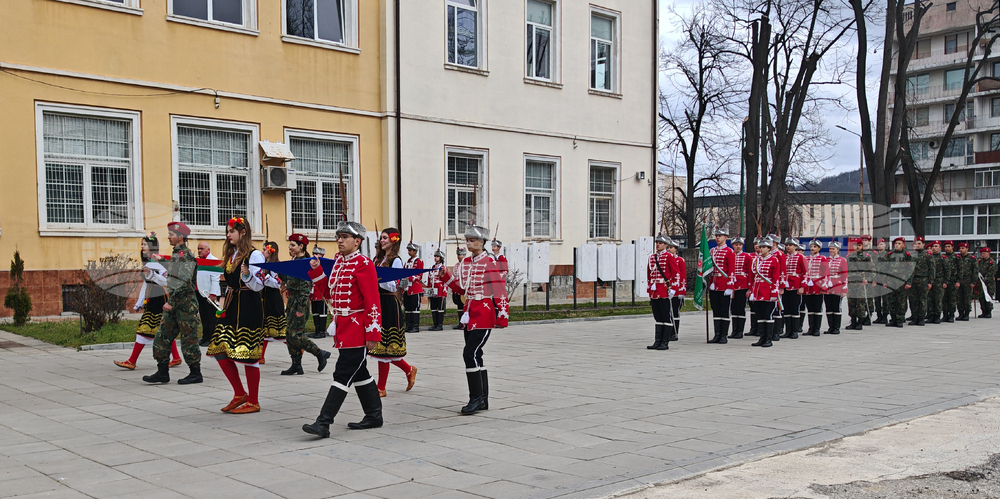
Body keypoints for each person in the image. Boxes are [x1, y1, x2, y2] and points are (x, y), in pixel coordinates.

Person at [302, 221, 383, 437]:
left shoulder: (364, 264)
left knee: (343, 372)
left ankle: (323, 422)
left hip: (358, 327)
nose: (339, 240)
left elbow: (373, 300)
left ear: (357, 241)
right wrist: (317, 271)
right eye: (338, 236)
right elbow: (329, 295)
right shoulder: (338, 261)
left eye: (345, 236)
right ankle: (374, 415)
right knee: (359, 371)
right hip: (342, 326)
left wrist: (373, 333)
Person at [441, 224, 510, 414]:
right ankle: (483, 399)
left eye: (472, 240)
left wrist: (502, 314)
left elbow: (499, 289)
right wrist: (445, 277)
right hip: (469, 312)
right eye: (467, 240)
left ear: (482, 242)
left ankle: (475, 398)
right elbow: (463, 290)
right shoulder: (467, 263)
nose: (468, 243)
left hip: (484, 312)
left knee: (469, 353)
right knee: (476, 355)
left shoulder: (489, 261)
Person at [204, 217, 266, 413]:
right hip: (231, 305)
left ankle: (253, 401)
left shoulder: (255, 256)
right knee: (219, 350)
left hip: (249, 306)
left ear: (243, 232)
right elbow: (227, 283)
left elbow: (259, 286)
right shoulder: (232, 255)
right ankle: (239, 393)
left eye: (232, 231)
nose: (228, 234)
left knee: (248, 355)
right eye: (228, 231)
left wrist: (247, 276)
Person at [141, 222, 203, 385]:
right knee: (162, 336)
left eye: (171, 234)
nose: (168, 236)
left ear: (180, 237)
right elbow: (174, 270)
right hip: (175, 303)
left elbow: (183, 282)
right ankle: (162, 372)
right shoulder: (177, 254)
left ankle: (195, 373)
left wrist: (171, 302)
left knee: (189, 339)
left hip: (185, 305)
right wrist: (159, 259)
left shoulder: (186, 255)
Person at [115, 233, 182, 370]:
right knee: (164, 329)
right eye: (141, 244)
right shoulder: (147, 262)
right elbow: (146, 284)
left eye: (144, 244)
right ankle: (176, 357)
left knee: (145, 329)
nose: (141, 247)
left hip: (158, 299)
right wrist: (139, 302)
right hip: (151, 297)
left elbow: (167, 280)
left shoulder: (158, 261)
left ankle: (132, 360)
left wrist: (152, 275)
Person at [371, 228, 417, 397]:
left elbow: (392, 285)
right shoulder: (378, 259)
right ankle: (408, 369)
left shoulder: (396, 261)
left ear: (393, 240)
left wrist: (376, 278)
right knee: (381, 347)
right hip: (378, 304)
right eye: (381, 238)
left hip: (390, 303)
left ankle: (380, 387)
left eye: (385, 238)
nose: (382, 241)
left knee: (386, 348)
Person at [279, 233, 331, 376]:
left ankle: (320, 353)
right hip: (291, 301)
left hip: (299, 302)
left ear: (301, 246)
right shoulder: (294, 261)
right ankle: (296, 364)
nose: (290, 247)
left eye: (293, 245)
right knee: (289, 334)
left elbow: (305, 288)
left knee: (296, 335)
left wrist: (301, 308)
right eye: (290, 245)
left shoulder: (305, 263)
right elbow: (287, 279)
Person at [749, 238, 780, 348]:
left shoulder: (774, 260)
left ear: (769, 248)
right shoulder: (756, 260)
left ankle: (768, 338)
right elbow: (752, 277)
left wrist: (774, 293)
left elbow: (776, 278)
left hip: (768, 290)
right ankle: (762, 337)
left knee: (768, 315)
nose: (761, 249)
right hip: (757, 291)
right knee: (760, 315)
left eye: (763, 247)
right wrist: (751, 291)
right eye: (760, 247)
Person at [646, 234, 675, 350]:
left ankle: (665, 342)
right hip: (654, 290)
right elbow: (649, 274)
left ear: (666, 245)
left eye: (660, 243)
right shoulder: (652, 257)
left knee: (665, 316)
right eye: (657, 243)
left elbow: (676, 274)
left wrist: (673, 288)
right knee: (657, 316)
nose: (658, 245)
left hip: (664, 289)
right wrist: (649, 288)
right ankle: (657, 341)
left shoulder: (669, 257)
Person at [707, 228, 735, 344]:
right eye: (716, 235)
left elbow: (731, 270)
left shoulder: (729, 252)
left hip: (724, 284)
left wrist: (730, 285)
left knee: (724, 310)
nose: (717, 238)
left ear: (725, 238)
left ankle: (724, 335)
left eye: (720, 236)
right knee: (716, 310)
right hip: (714, 284)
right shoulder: (712, 251)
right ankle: (717, 334)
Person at [260, 241, 286, 364]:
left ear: (271, 251)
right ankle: (261, 356)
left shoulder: (276, 266)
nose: (262, 252)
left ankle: (297, 347)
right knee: (264, 329)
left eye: (265, 250)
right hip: (265, 298)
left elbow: (279, 283)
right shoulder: (263, 265)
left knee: (279, 330)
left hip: (273, 298)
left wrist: (266, 278)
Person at [881, 237, 913, 328]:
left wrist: (909, 282)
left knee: (901, 301)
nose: (897, 245)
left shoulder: (907, 255)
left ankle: (900, 319)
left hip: (901, 282)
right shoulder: (889, 255)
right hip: (891, 282)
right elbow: (885, 269)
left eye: (899, 243)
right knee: (891, 301)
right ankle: (893, 318)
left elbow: (910, 270)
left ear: (904, 245)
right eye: (896, 243)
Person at [196, 242, 222, 347]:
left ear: (208, 250)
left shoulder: (214, 261)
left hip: (211, 293)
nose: (199, 250)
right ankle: (205, 337)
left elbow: (215, 278)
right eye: (198, 248)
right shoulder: (198, 261)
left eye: (202, 248)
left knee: (212, 318)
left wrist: (213, 293)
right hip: (200, 292)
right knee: (204, 317)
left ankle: (212, 339)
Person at [780, 238, 807, 338]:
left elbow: (805, 273)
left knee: (795, 308)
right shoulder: (784, 257)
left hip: (796, 285)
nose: (788, 247)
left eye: (790, 245)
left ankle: (795, 331)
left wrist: (802, 286)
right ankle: (788, 330)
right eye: (787, 245)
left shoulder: (800, 257)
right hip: (786, 285)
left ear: (795, 247)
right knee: (786, 308)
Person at [845, 238, 872, 331]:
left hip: (861, 282)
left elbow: (872, 270)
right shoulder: (849, 257)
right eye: (856, 245)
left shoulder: (866, 257)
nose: (857, 247)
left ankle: (860, 322)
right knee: (851, 302)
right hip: (851, 282)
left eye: (859, 245)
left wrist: (867, 279)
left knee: (860, 303)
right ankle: (853, 321)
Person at [906, 237, 934, 326]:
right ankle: (915, 317)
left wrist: (930, 282)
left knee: (922, 299)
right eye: (915, 244)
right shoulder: (911, 255)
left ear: (923, 244)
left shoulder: (928, 255)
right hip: (913, 280)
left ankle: (921, 318)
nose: (917, 245)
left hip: (923, 279)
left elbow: (932, 269)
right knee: (913, 300)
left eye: (919, 243)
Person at [728, 237, 752, 339]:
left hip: (742, 285)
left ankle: (740, 331)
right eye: (736, 244)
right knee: (733, 308)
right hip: (732, 285)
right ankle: (734, 330)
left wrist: (749, 287)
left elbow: (750, 273)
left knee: (741, 308)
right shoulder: (730, 255)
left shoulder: (747, 256)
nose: (738, 246)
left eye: (740, 245)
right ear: (732, 245)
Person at [823, 241, 848, 335]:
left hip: (837, 285)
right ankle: (831, 327)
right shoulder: (826, 260)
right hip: (827, 287)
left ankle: (836, 327)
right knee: (828, 307)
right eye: (830, 249)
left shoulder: (842, 260)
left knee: (836, 307)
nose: (831, 250)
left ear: (838, 250)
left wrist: (844, 289)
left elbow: (844, 275)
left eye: (833, 249)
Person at [402, 242, 425, 333]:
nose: (409, 252)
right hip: (407, 288)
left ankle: (415, 326)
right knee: (407, 308)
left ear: (415, 251)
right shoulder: (407, 262)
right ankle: (409, 325)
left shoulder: (419, 261)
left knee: (415, 307)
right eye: (408, 250)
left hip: (415, 288)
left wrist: (410, 277)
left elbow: (419, 276)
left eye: (411, 250)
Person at [667, 238, 686, 341]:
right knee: (667, 312)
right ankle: (668, 332)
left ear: (676, 249)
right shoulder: (665, 259)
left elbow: (682, 276)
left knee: (675, 311)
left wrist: (682, 291)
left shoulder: (680, 260)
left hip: (677, 289)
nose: (669, 249)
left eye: (671, 248)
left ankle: (675, 332)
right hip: (667, 289)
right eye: (668, 247)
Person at [308, 245, 329, 339]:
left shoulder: (324, 265)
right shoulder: (311, 264)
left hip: (321, 293)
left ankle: (321, 331)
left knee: (322, 312)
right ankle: (316, 330)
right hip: (313, 293)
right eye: (314, 254)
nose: (315, 255)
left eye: (317, 254)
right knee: (315, 311)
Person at [425, 249, 448, 331]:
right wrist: (428, 291)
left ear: (441, 258)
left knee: (440, 308)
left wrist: (444, 293)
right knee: (433, 307)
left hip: (440, 289)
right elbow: (429, 280)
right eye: (435, 256)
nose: (435, 258)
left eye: (437, 256)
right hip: (433, 290)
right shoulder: (433, 267)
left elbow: (446, 281)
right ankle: (435, 324)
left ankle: (439, 324)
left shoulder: (443, 268)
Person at [955, 242, 977, 321]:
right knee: (959, 298)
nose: (961, 250)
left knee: (967, 298)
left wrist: (973, 282)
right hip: (959, 281)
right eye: (960, 248)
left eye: (963, 248)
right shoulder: (957, 258)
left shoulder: (972, 258)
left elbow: (975, 271)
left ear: (967, 249)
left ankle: (966, 313)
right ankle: (961, 313)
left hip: (968, 281)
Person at [926, 241, 946, 324]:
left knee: (938, 299)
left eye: (936, 246)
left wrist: (945, 282)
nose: (934, 248)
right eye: (933, 246)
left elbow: (947, 271)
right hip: (930, 281)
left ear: (940, 248)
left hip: (939, 281)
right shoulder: (928, 257)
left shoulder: (943, 258)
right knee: (930, 299)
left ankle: (937, 316)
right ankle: (931, 315)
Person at [747, 237, 763, 337]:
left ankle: (760, 329)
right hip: (753, 285)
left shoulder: (765, 258)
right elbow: (749, 273)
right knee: (753, 308)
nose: (757, 246)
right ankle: (753, 328)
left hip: (762, 285)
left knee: (760, 309)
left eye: (759, 244)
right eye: (755, 244)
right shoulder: (750, 256)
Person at [871, 238, 889, 324]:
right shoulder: (874, 256)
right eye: (878, 244)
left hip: (884, 280)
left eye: (881, 244)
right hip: (876, 280)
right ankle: (879, 316)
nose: (880, 246)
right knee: (877, 299)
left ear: (885, 245)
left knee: (885, 299)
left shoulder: (888, 255)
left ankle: (885, 316)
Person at [451, 246, 468, 330]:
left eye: (460, 255)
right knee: (459, 306)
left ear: (464, 255)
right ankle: (460, 322)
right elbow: (455, 276)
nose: (458, 256)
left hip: (464, 289)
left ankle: (465, 323)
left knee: (465, 306)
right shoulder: (456, 265)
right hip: (458, 288)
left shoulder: (467, 264)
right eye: (458, 254)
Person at [942, 241, 959, 323]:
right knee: (944, 298)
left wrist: (958, 281)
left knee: (952, 298)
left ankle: (951, 315)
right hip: (944, 281)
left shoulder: (956, 257)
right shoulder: (943, 257)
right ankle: (945, 314)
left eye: (949, 246)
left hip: (953, 281)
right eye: (946, 246)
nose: (947, 248)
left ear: (952, 247)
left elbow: (960, 270)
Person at [977, 247, 996, 318]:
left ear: (988, 253)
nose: (983, 255)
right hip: (981, 282)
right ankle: (983, 311)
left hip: (989, 283)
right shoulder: (980, 262)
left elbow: (991, 272)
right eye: (982, 253)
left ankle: (988, 311)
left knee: (988, 296)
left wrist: (985, 278)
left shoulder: (991, 262)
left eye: (984, 253)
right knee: (981, 297)